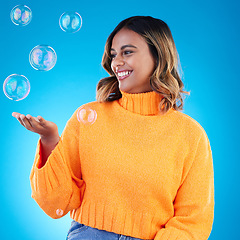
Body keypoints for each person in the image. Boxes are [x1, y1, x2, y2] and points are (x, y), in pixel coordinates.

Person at [12, 16, 214, 240]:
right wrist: (50, 140)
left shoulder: (190, 135)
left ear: (158, 55)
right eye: (113, 55)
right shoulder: (89, 118)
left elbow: (192, 220)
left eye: (127, 52)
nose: (117, 62)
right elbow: (56, 203)